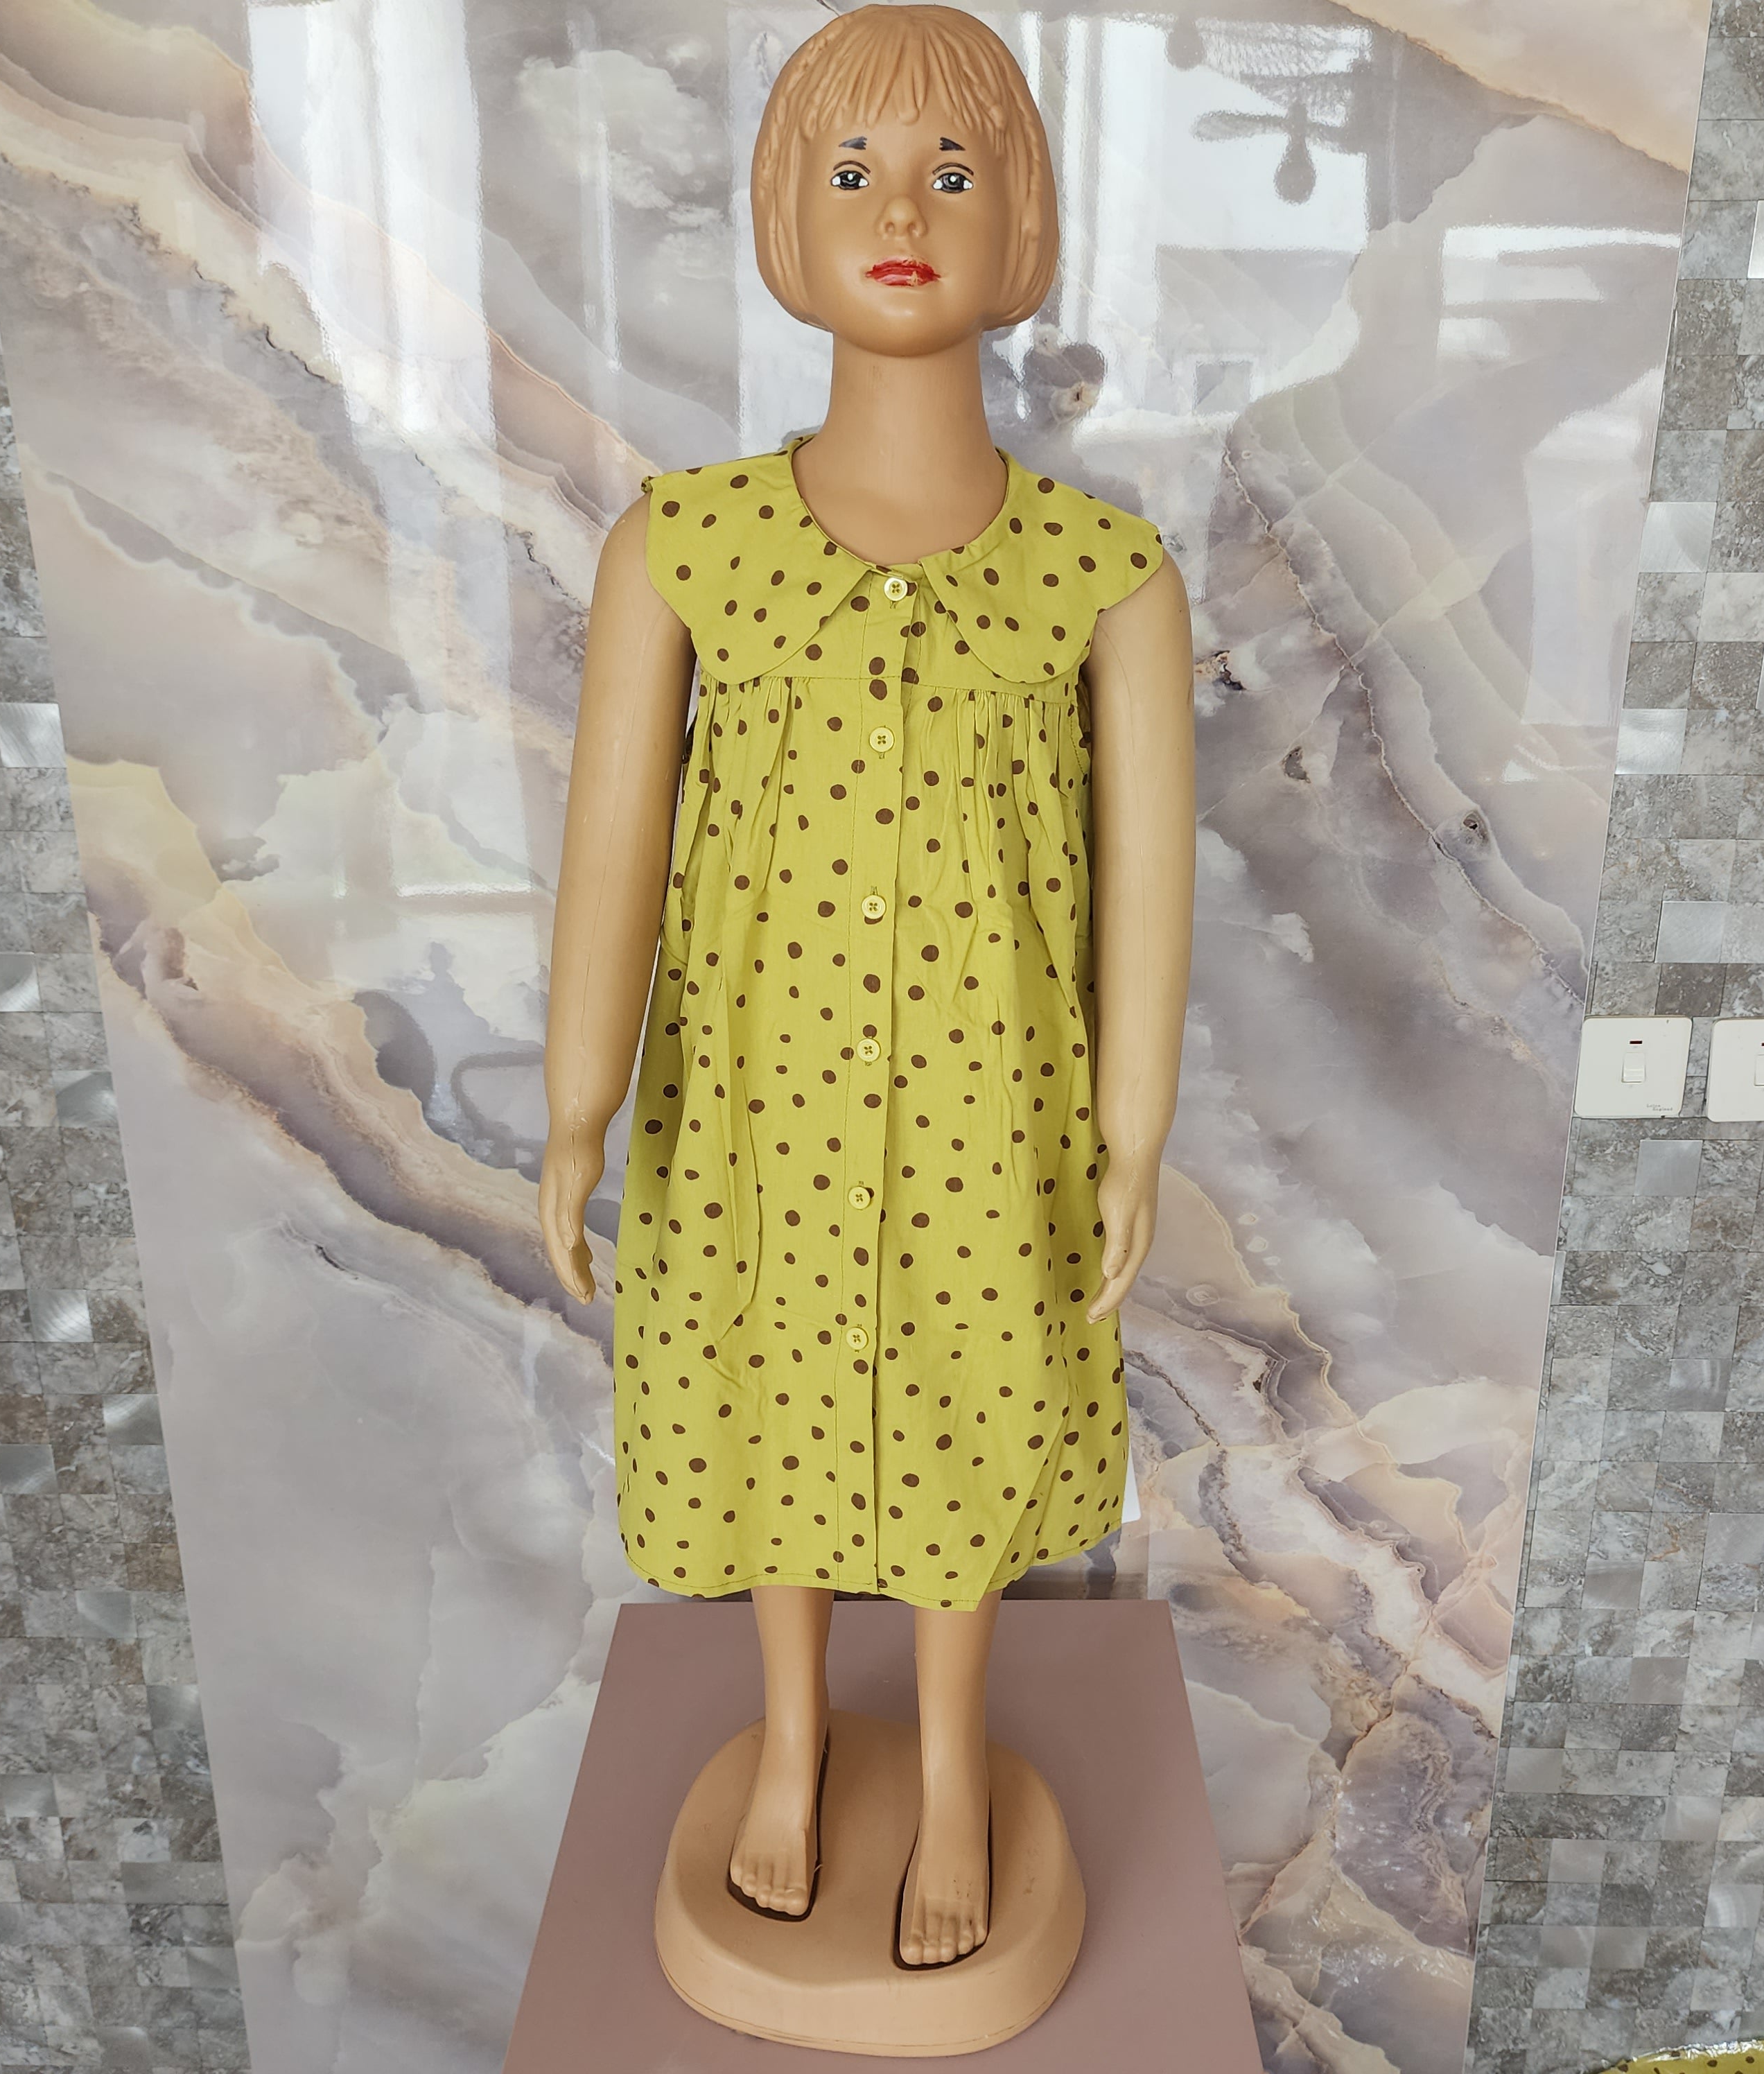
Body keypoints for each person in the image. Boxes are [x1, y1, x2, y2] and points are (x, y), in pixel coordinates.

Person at [539, 3, 1194, 1970]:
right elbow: (611, 852)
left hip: (1000, 1108)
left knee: (973, 1398)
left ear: (1023, 227)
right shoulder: (683, 548)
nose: (902, 213)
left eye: (951, 173)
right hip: (758, 1100)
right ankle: (797, 1743)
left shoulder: (1105, 577)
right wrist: (576, 1105)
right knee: (772, 1392)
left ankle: (960, 1762)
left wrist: (1133, 1135)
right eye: (853, 172)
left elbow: (1149, 891)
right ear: (785, 216)